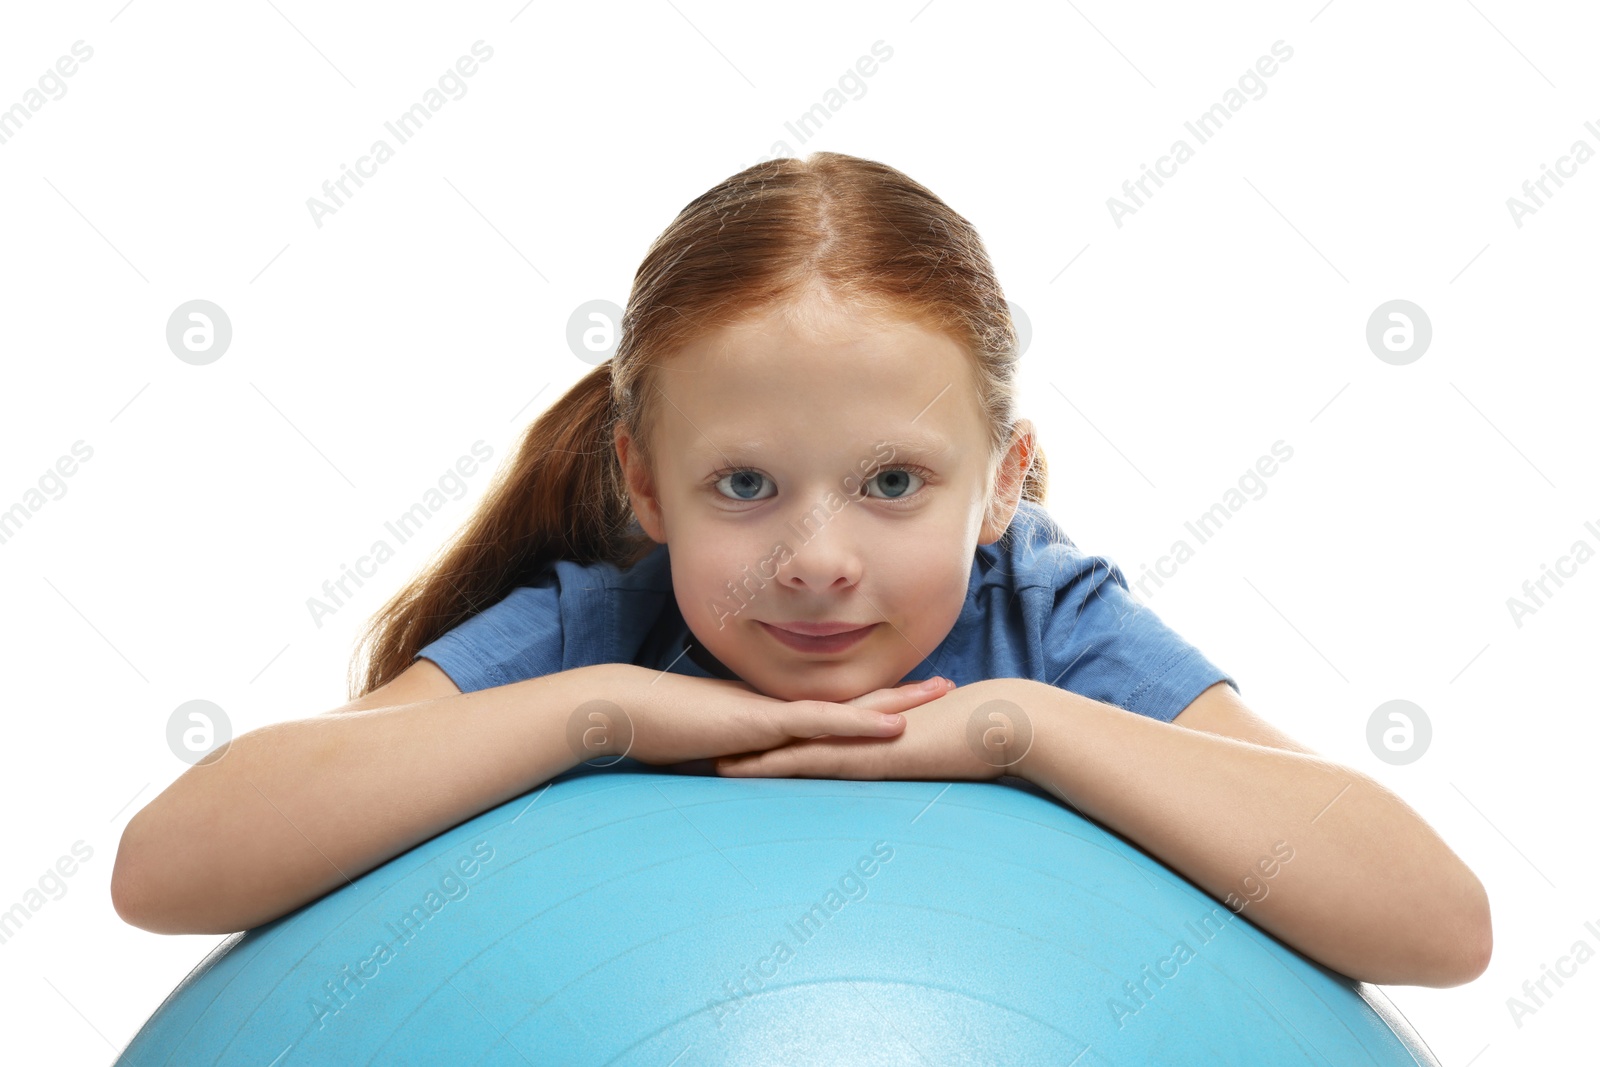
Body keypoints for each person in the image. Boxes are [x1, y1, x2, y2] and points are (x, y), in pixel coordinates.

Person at [110, 152, 1490, 988]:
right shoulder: (603, 629)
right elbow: (164, 873)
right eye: (742, 486)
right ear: (643, 483)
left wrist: (1021, 731)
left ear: (1007, 481)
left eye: (894, 483)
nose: (816, 560)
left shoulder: (1049, 626)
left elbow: (1439, 925)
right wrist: (607, 715)